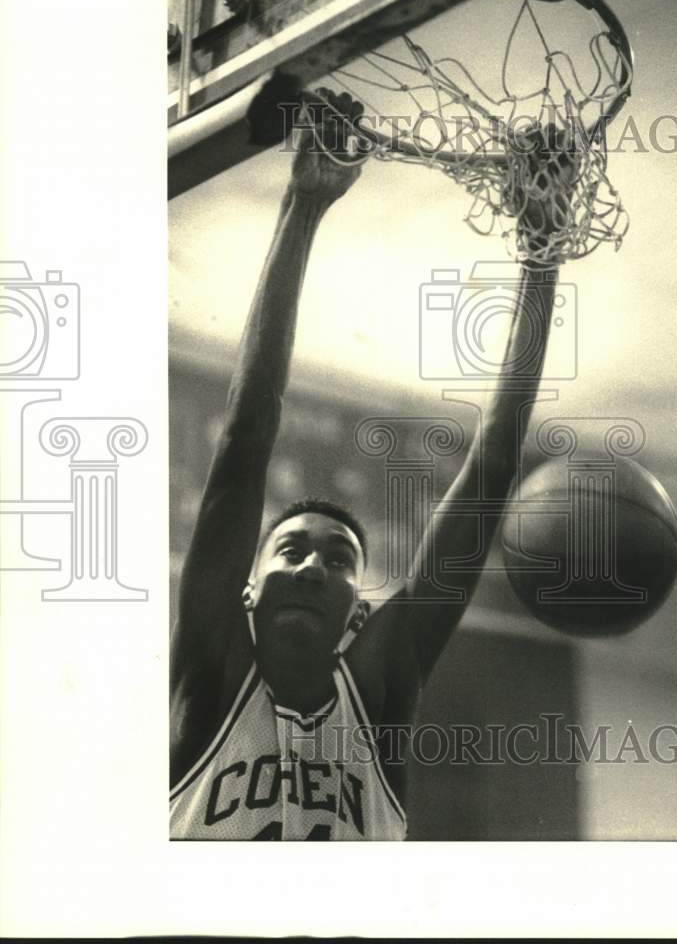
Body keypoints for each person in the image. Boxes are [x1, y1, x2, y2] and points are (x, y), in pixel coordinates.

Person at [169, 90, 575, 840]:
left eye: (338, 558)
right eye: (290, 550)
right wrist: (304, 204)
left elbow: (489, 470)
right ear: (246, 589)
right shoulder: (212, 670)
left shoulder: (382, 683)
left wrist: (541, 253)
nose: (314, 566)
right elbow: (245, 435)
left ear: (360, 610)